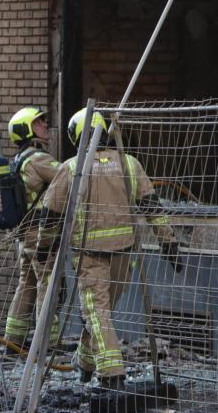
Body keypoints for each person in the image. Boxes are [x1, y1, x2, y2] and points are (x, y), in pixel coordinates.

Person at [42, 108, 180, 390]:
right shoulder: (130, 163)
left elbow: (50, 215)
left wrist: (45, 248)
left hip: (89, 257)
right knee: (99, 315)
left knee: (97, 314)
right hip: (124, 256)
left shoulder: (71, 168)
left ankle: (111, 374)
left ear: (78, 135)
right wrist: (169, 243)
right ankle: (84, 361)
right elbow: (153, 208)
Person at [2, 105, 64, 348]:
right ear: (27, 130)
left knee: (26, 283)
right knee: (46, 285)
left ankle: (12, 340)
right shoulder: (38, 159)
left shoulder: (18, 160)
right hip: (41, 235)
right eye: (38, 122)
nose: (45, 125)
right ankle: (46, 343)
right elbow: (69, 176)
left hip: (24, 234)